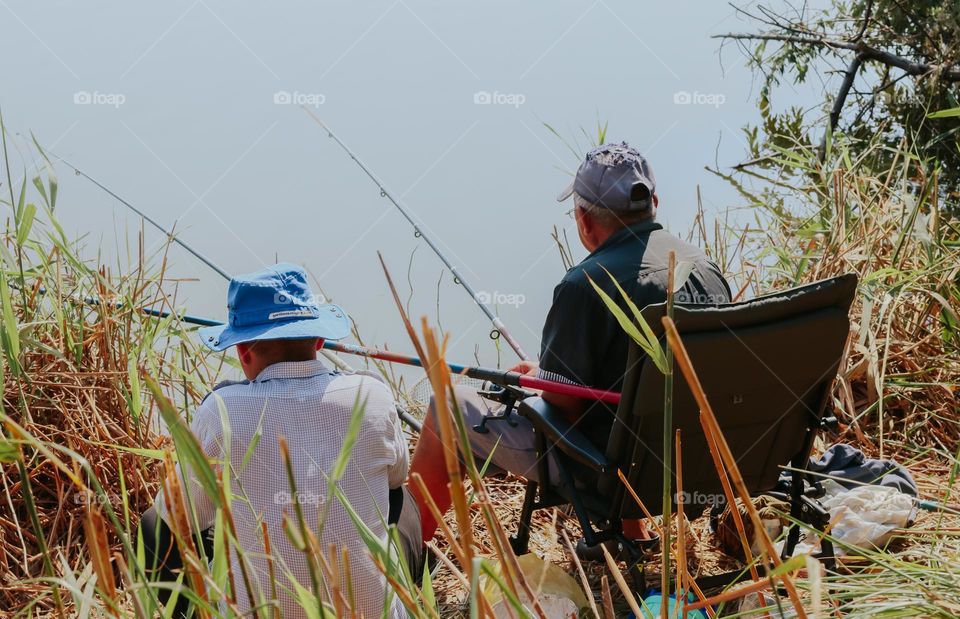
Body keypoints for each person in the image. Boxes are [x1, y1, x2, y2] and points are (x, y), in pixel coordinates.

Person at [409, 142, 732, 549]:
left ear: (583, 219)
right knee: (641, 407)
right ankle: (631, 532)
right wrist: (548, 376)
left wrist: (538, 384)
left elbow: (565, 412)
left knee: (446, 408)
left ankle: (407, 556)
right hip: (700, 463)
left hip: (610, 472)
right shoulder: (705, 270)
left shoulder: (584, 286)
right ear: (654, 202)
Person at [139, 263, 421, 618]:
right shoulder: (373, 395)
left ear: (242, 352)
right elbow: (396, 478)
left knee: (154, 526)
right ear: (319, 340)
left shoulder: (222, 409)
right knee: (401, 496)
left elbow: (179, 517)